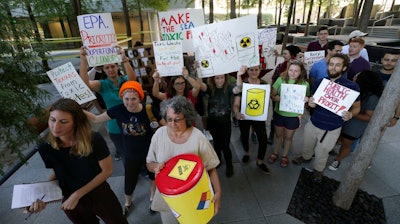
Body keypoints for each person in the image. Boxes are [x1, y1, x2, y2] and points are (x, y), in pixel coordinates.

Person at [28, 98, 128, 224]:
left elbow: (107, 171)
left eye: (63, 122)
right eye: (52, 120)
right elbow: (58, 173)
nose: (55, 126)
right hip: (70, 199)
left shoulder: (93, 139)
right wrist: (39, 197)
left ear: (76, 122)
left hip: (99, 193)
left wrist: (77, 194)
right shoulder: (45, 147)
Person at [85, 81, 165, 215]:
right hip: (130, 154)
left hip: (150, 153)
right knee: (129, 180)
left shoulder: (149, 109)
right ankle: (128, 202)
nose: (130, 103)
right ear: (122, 97)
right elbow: (96, 119)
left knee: (153, 176)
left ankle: (153, 198)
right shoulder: (118, 110)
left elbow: (164, 127)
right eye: (126, 99)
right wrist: (76, 108)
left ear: (140, 97)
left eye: (133, 99)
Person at [146, 96, 221, 224]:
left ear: (187, 117)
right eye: (169, 119)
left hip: (194, 196)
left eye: (177, 120)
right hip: (168, 197)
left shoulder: (198, 137)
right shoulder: (159, 134)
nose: (172, 124)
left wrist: (218, 193)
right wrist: (156, 167)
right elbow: (149, 164)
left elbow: (211, 167)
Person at [292, 54, 361, 183]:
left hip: (332, 127)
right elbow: (313, 100)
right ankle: (306, 157)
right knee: (307, 143)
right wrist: (311, 103)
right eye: (331, 64)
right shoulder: (320, 82)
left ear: (344, 68)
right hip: (314, 122)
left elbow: (357, 107)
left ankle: (318, 170)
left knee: (323, 150)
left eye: (337, 65)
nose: (333, 68)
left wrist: (351, 114)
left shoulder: (352, 87)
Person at [79, 45, 137, 161]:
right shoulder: (102, 84)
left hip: (131, 121)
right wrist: (84, 61)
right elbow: (85, 84)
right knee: (125, 154)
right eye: (107, 67)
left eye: (112, 66)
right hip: (114, 125)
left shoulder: (125, 80)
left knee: (135, 150)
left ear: (117, 67)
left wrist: (124, 59)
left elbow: (133, 80)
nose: (110, 69)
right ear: (103, 70)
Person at [329, 70, 383, 170]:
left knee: (346, 144)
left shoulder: (372, 98)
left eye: (358, 75)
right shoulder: (354, 89)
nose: (354, 76)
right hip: (341, 122)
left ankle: (338, 160)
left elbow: (369, 117)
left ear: (364, 80)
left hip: (353, 127)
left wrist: (352, 113)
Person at [268, 61, 310, 168]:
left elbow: (306, 103)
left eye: (296, 71)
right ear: (288, 70)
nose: (293, 73)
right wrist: (275, 97)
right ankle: (275, 153)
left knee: (288, 137)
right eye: (291, 70)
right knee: (278, 135)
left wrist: (307, 100)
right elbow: (272, 94)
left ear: (301, 72)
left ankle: (285, 156)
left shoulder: (305, 84)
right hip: (280, 113)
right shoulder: (281, 80)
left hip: (293, 116)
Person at [233, 65, 270, 174]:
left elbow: (271, 97)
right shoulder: (242, 84)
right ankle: (247, 153)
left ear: (260, 70)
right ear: (247, 71)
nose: (254, 72)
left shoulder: (264, 84)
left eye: (256, 70)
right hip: (244, 116)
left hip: (259, 116)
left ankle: (260, 161)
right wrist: (236, 113)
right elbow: (236, 104)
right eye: (251, 70)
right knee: (244, 135)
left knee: (263, 139)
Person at [201, 74, 235, 177]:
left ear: (225, 78)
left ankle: (229, 164)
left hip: (225, 122)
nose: (220, 80)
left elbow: (238, 89)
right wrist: (198, 72)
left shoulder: (229, 88)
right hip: (213, 122)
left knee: (225, 145)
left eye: (222, 78)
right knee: (216, 143)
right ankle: (218, 160)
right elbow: (200, 85)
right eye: (217, 78)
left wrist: (239, 75)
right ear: (213, 79)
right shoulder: (210, 88)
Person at [268, 45, 302, 144]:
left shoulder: (299, 66)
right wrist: (272, 94)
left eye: (285, 53)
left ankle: (286, 139)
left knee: (289, 120)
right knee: (275, 117)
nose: (284, 55)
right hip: (279, 97)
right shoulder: (280, 66)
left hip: (292, 102)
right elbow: (274, 79)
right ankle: (272, 134)